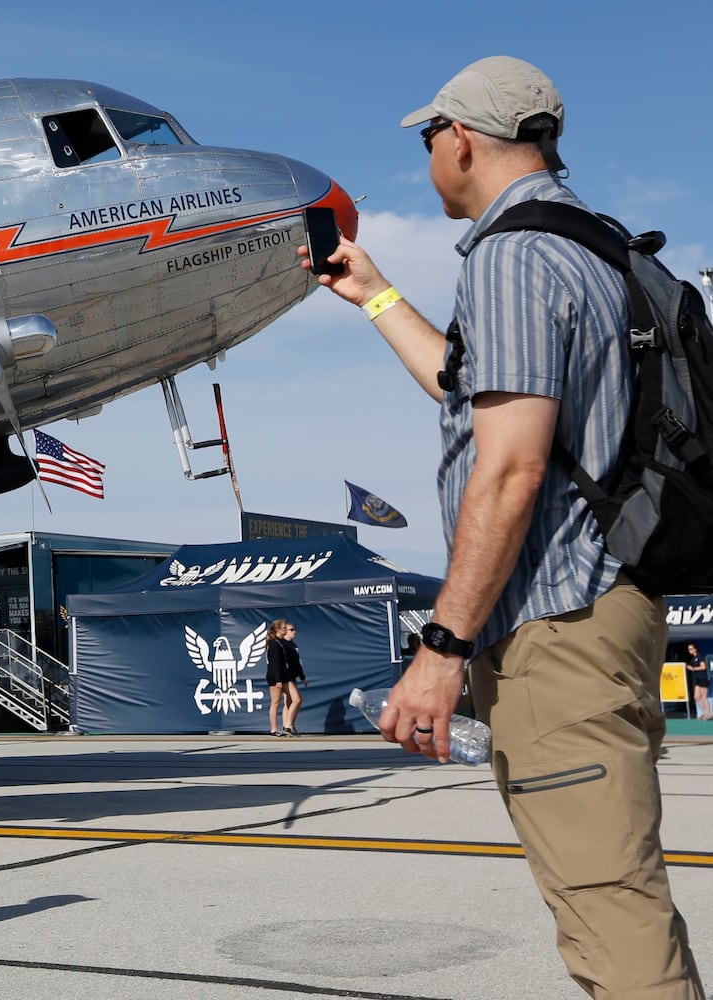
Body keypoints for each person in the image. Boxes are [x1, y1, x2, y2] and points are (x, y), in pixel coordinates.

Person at [306, 56, 702, 997]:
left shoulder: (514, 255)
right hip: (608, 607)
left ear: (463, 140)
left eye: (428, 137)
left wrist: (441, 649)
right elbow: (469, 388)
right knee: (613, 897)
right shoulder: (596, 243)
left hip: (561, 631)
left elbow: (511, 468)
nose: (428, 155)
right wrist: (377, 295)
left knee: (610, 911)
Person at [264, 619, 304, 736]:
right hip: (276, 678)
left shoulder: (281, 643)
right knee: (275, 702)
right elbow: (274, 663)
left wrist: (301, 676)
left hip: (285, 677)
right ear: (277, 630)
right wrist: (277, 680)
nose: (286, 630)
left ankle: (288, 726)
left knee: (296, 699)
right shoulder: (274, 644)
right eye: (284, 628)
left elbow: (290, 662)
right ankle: (274, 729)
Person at [687, 642, 710, 721]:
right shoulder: (694, 658)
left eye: (691, 649)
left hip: (703, 678)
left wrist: (693, 668)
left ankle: (709, 714)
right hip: (697, 679)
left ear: (695, 649)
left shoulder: (700, 656)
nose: (689, 650)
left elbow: (703, 667)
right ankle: (703, 713)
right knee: (696, 697)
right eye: (688, 649)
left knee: (704, 697)